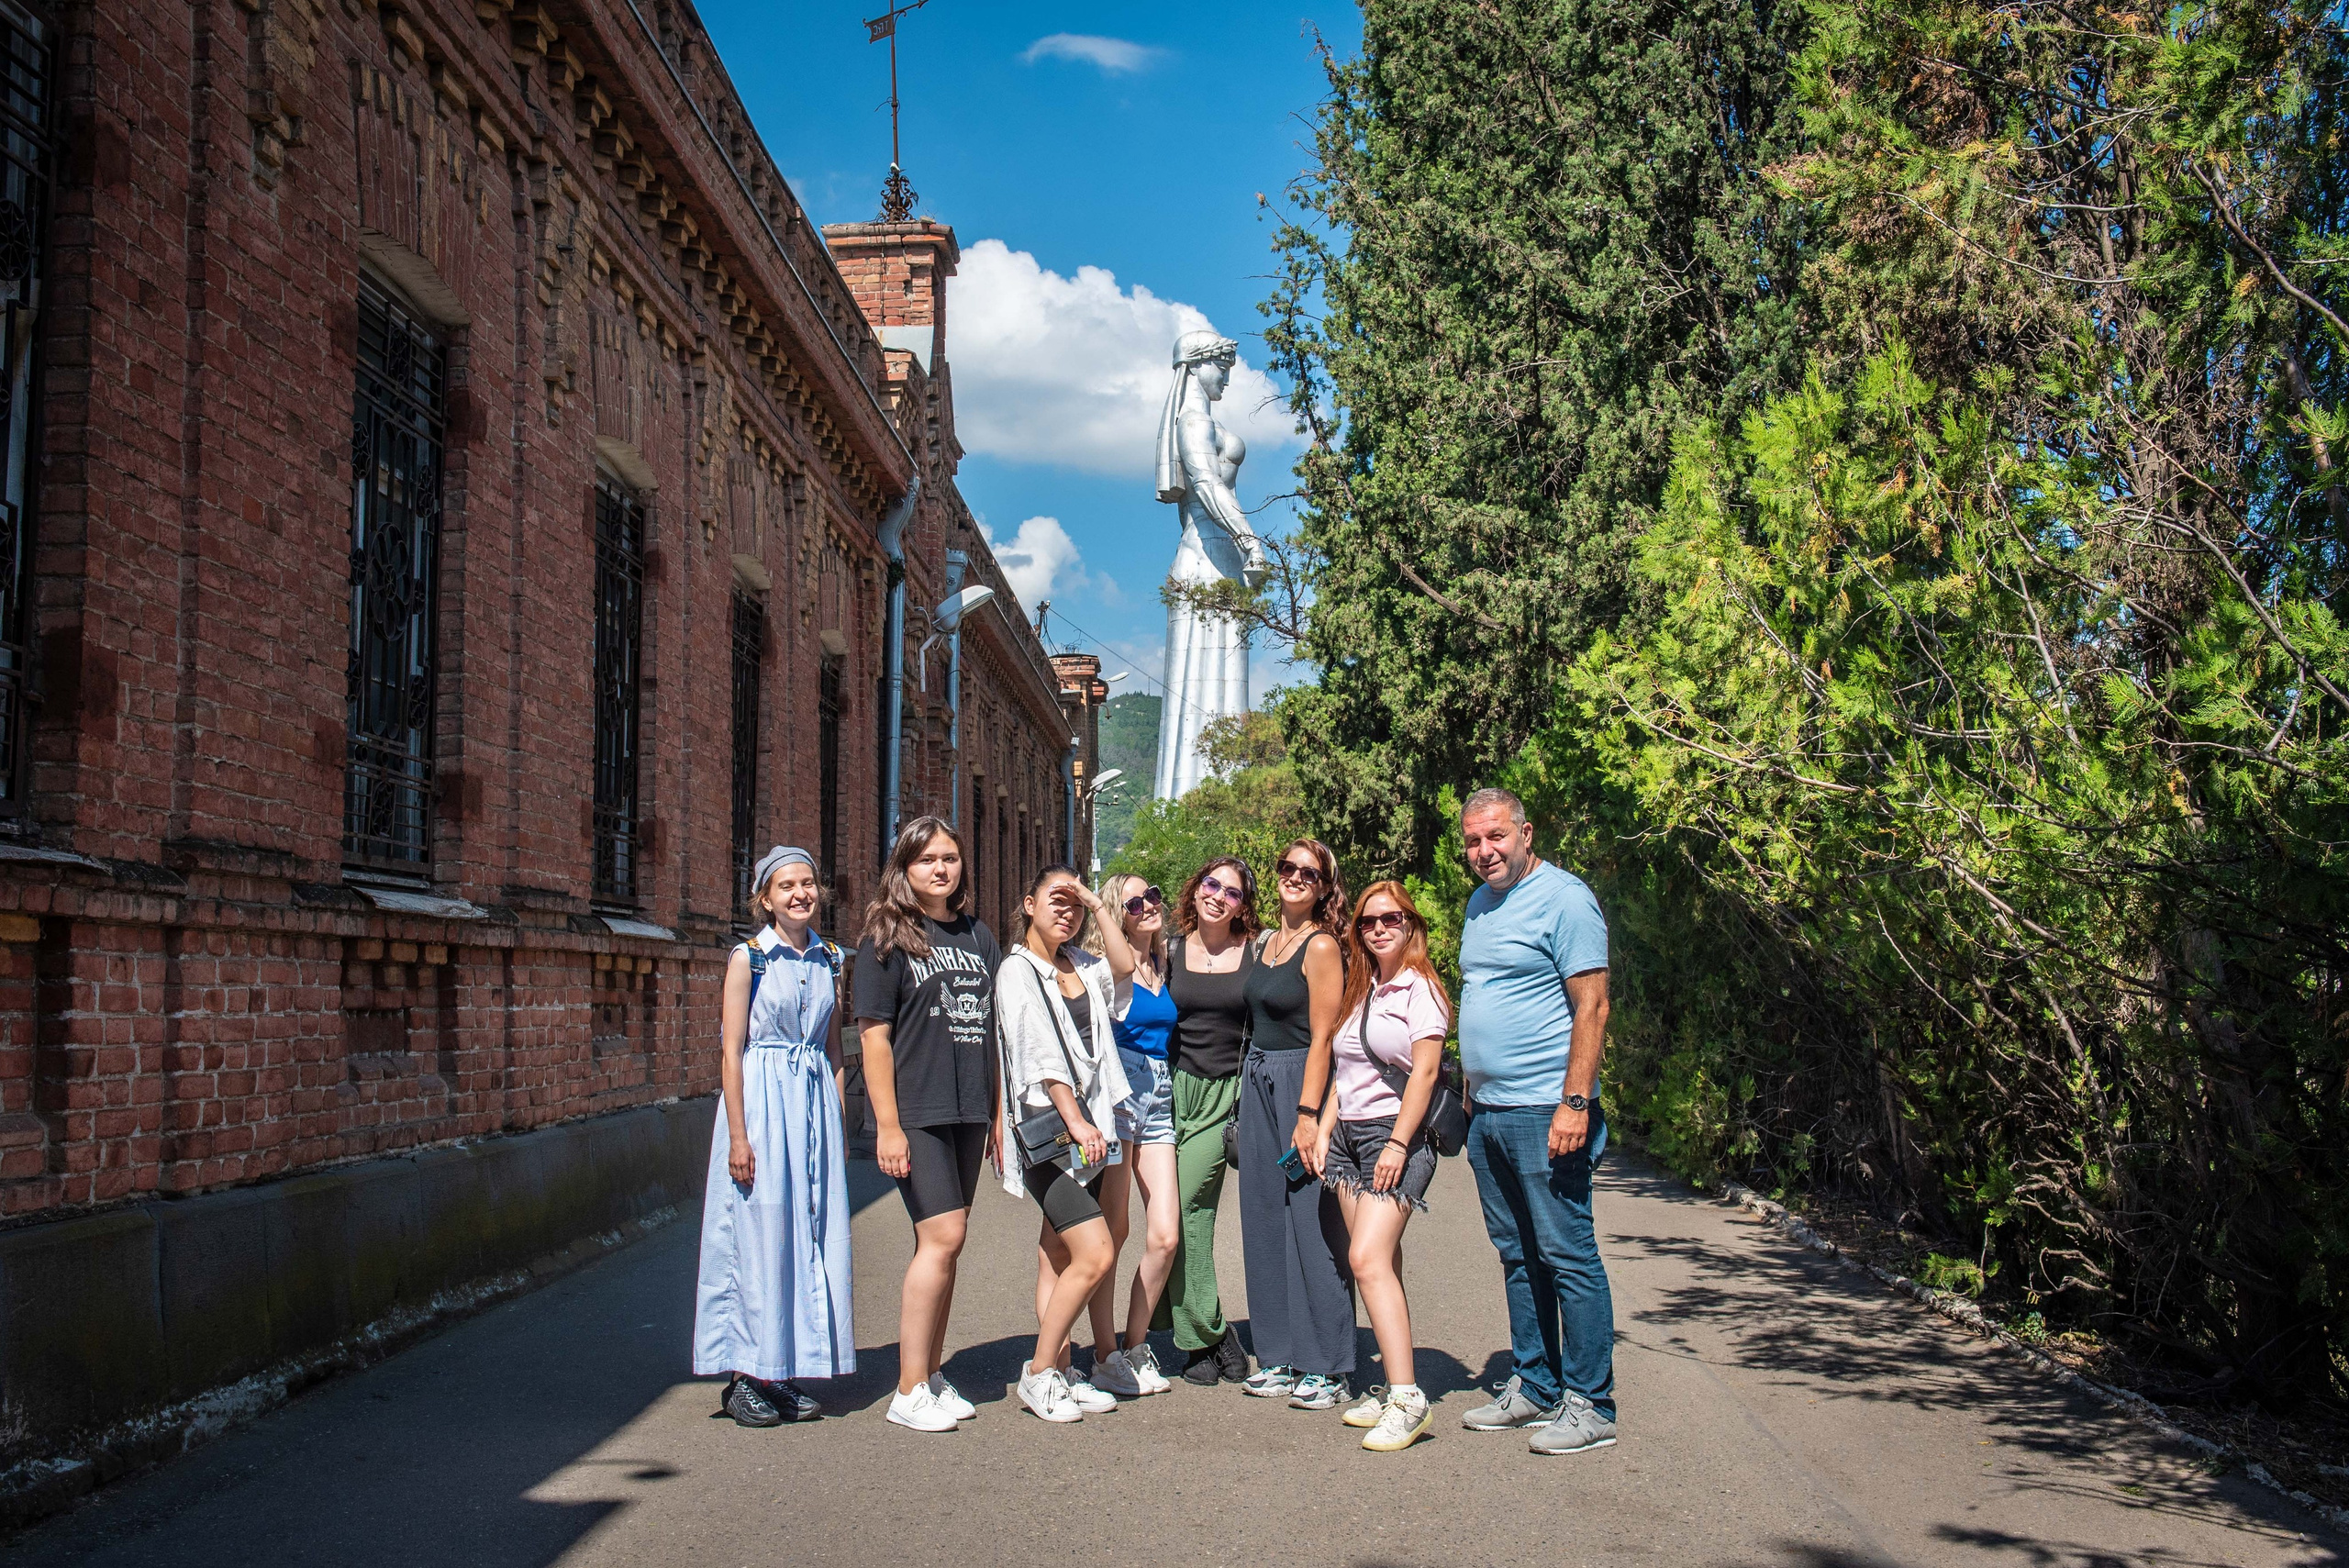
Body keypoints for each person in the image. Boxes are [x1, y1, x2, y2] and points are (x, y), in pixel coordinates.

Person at [1453, 787, 1618, 1455]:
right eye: (1472, 841)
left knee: (1568, 1255)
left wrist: (1574, 1102)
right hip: (1489, 1113)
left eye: (1496, 836)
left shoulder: (1565, 897)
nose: (1485, 851)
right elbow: (1484, 992)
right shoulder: (1480, 903)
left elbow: (1594, 1006)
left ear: (1526, 831)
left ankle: (1591, 1403)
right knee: (1518, 1255)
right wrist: (1470, 1089)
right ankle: (1537, 1383)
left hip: (1546, 1111)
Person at [694, 845, 852, 1427]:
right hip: (761, 1106)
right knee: (758, 1230)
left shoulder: (832, 959)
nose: (800, 894)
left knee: (804, 1230)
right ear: (766, 898)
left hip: (811, 1107)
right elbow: (731, 1053)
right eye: (786, 886)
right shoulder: (749, 959)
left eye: (808, 883)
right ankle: (742, 1375)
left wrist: (837, 1111)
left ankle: (779, 1368)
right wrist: (739, 1136)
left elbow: (834, 1045)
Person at [852, 816, 1001, 1434]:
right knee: (941, 1235)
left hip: (968, 1109)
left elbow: (992, 1026)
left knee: (947, 1238)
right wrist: (887, 1124)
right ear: (904, 868)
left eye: (949, 858)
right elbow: (874, 1036)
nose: (941, 868)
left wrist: (995, 1114)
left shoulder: (977, 934)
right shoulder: (887, 936)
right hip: (916, 1110)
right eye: (927, 859)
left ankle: (932, 1371)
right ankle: (909, 1388)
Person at [1312, 881, 1451, 1451]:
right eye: (1368, 922)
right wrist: (1321, 1132)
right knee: (1382, 1263)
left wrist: (1396, 1143)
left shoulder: (1423, 989)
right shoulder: (1361, 985)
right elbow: (1347, 1071)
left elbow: (1423, 1074)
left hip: (1398, 1140)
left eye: (1390, 919)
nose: (1378, 929)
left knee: (1364, 1258)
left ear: (1410, 924)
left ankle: (1409, 1398)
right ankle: (1394, 1388)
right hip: (1347, 1140)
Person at [995, 864, 1136, 1422]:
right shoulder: (1017, 971)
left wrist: (1099, 906)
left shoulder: (1080, 963)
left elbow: (1125, 968)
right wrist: (1076, 1121)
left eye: (1075, 903)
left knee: (1058, 1251)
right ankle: (1040, 1373)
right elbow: (1038, 1056)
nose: (1067, 910)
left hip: (1094, 1126)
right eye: (1057, 899)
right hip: (1052, 1131)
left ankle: (1064, 1366)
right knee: (1095, 1251)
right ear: (1028, 904)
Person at [1241, 837, 1354, 1410]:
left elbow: (1323, 1038)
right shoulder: (1267, 942)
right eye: (1288, 868)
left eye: (1309, 873)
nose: (1295, 878)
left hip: (1298, 1084)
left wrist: (1309, 1116)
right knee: (1262, 1215)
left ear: (1324, 886)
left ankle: (1327, 1364)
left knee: (1311, 1219)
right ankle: (1280, 1355)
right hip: (1257, 1079)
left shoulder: (1322, 946)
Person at [1163, 857, 1260, 1385]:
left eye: (1232, 891)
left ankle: (1208, 1333)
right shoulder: (1168, 949)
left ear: (1244, 906)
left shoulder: (1258, 951)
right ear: (1195, 887)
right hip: (1168, 1095)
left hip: (1225, 1098)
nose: (1218, 896)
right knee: (1168, 1221)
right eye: (1210, 883)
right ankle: (1206, 1338)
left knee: (1187, 1212)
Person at [1085, 873, 1179, 1397]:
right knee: (1114, 1230)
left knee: (1164, 1234)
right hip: (1120, 1092)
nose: (1148, 906)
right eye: (1134, 902)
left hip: (1159, 1096)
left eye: (1153, 896)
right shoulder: (1111, 969)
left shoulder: (1162, 963)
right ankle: (1106, 1354)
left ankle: (1136, 1343)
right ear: (1116, 915)